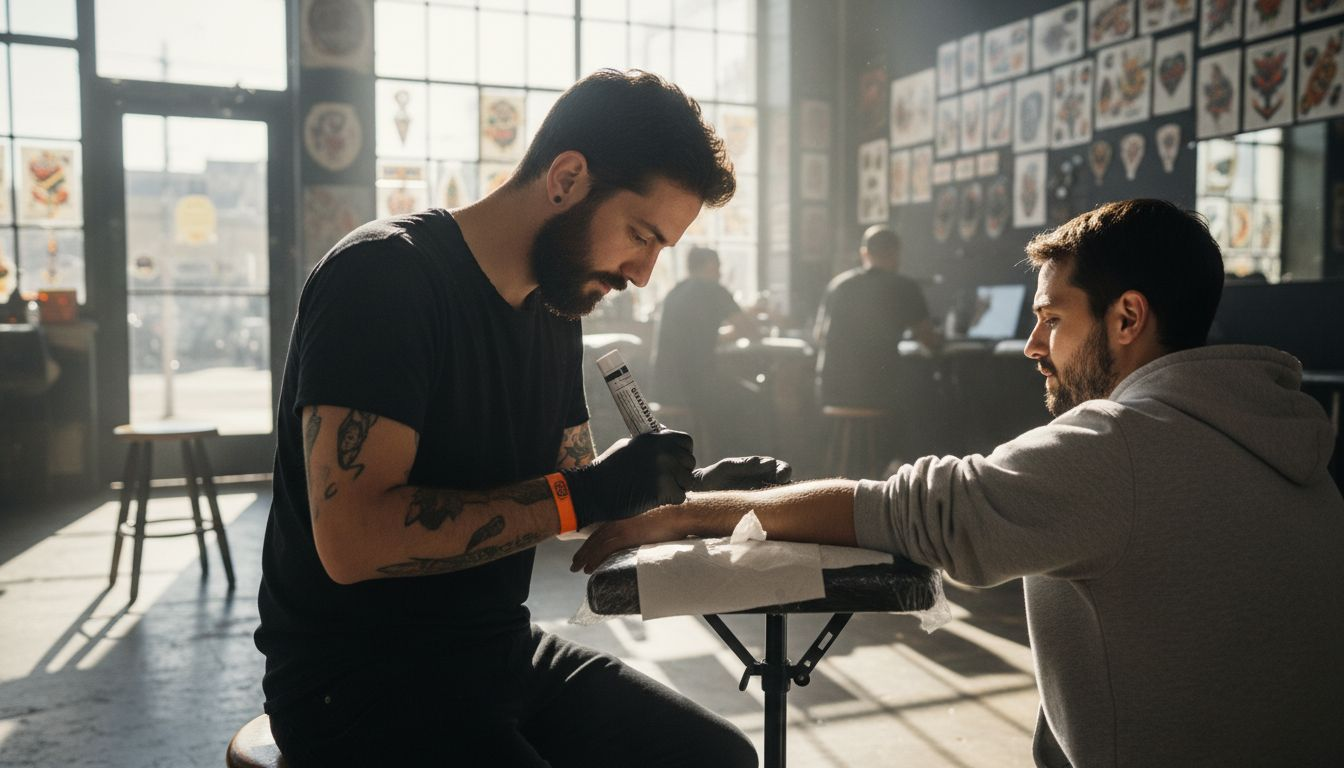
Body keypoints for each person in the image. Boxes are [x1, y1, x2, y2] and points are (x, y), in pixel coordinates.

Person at [572, 199, 1344, 767]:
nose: (1033, 345)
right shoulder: (1291, 442)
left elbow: (904, 509)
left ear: (1127, 317)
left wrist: (687, 515)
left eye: (1052, 318)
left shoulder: (1118, 447)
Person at [255, 69, 789, 767]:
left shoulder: (554, 307)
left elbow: (569, 488)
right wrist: (585, 494)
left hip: (498, 651)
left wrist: (681, 495)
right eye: (639, 234)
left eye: (660, 249)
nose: (642, 274)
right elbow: (352, 541)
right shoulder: (383, 279)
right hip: (354, 683)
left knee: (717, 759)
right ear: (566, 178)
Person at [813, 225, 939, 463]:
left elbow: (819, 335)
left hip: (830, 390)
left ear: (864, 253)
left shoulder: (839, 284)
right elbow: (928, 340)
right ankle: (905, 471)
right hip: (875, 394)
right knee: (925, 398)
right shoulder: (905, 286)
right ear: (896, 254)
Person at [650, 245, 765, 457]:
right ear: (709, 265)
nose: (720, 272)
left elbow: (695, 337)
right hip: (695, 387)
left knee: (729, 395)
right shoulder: (713, 289)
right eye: (718, 266)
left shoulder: (674, 292)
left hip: (663, 387)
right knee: (756, 399)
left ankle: (712, 457)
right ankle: (741, 464)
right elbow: (751, 331)